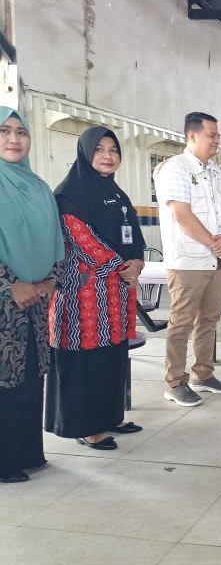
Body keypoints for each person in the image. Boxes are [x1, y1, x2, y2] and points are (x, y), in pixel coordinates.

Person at [47, 127, 146, 451]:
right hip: (83, 297)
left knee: (112, 356)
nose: (108, 156)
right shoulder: (69, 194)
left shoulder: (116, 193)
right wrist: (123, 266)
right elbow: (83, 240)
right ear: (86, 153)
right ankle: (87, 427)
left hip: (115, 295)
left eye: (113, 149)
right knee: (87, 361)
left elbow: (132, 232)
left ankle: (109, 416)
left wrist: (138, 261)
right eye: (100, 149)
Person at [154, 111, 221, 407]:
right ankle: (175, 382)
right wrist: (218, 245)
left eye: (218, 135)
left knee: (210, 320)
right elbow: (182, 216)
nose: (217, 140)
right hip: (187, 261)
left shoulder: (216, 172)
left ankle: (204, 374)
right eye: (211, 135)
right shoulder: (173, 169)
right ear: (192, 136)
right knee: (182, 322)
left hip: (216, 261)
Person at [0, 107, 64, 483]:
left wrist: (46, 283)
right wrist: (12, 283)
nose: (13, 139)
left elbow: (55, 240)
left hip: (37, 302)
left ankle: (27, 452)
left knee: (28, 378)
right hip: (5, 302)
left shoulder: (39, 186)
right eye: (4, 131)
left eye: (21, 132)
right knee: (4, 380)